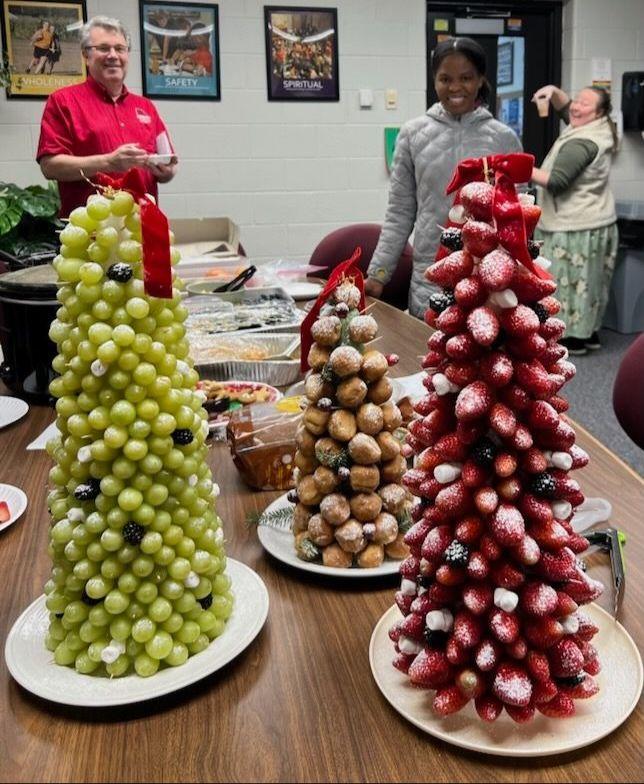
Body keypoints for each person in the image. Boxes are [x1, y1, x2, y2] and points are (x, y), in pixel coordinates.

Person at [364, 37, 522, 319]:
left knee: (483, 342)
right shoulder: (412, 135)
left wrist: (520, 273)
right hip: (430, 276)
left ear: (480, 80)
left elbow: (517, 216)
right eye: (445, 79)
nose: (455, 87)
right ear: (434, 80)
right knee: (426, 344)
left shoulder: (504, 138)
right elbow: (400, 212)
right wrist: (379, 273)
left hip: (487, 278)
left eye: (466, 78)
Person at [37, 16, 177, 218]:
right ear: (86, 55)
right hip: (91, 230)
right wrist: (108, 162)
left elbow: (169, 165)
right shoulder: (62, 101)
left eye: (120, 49)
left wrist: (166, 171)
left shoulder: (146, 107)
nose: (113, 55)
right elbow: (50, 166)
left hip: (141, 226)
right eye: (103, 48)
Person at [530, 84, 618, 355]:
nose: (576, 107)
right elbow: (569, 111)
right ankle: (588, 333)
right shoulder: (602, 128)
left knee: (567, 284)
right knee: (590, 284)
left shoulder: (582, 143)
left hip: (573, 226)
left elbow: (557, 181)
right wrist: (554, 92)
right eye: (576, 100)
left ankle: (571, 339)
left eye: (584, 104)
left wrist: (516, 166)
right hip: (597, 220)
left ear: (599, 112)